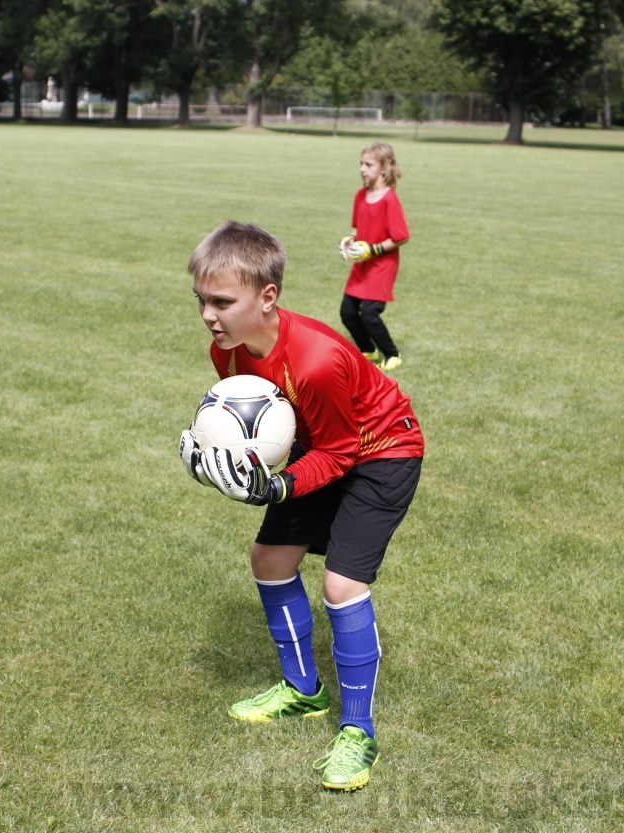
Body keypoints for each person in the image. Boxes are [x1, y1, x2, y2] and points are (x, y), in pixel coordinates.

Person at [180, 221, 424, 792]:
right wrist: (213, 456)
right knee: (269, 559)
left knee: (342, 585)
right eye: (201, 301)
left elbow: (342, 452)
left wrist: (279, 486)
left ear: (268, 297)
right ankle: (302, 691)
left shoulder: (314, 357)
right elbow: (273, 431)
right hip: (323, 445)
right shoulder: (231, 354)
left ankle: (358, 732)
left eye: (222, 301)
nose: (209, 316)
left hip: (382, 449)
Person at [338, 142, 409, 371]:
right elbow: (358, 229)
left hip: (382, 265)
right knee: (347, 312)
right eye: (361, 164)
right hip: (363, 265)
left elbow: (401, 236)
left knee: (369, 313)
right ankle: (367, 350)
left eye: (369, 164)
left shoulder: (389, 199)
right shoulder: (360, 195)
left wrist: (373, 249)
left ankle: (392, 354)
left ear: (384, 168)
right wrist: (348, 241)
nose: (362, 169)